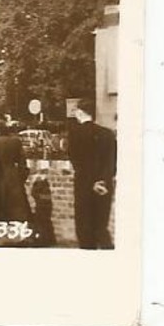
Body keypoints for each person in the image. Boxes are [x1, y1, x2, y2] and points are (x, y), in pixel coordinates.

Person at [68, 102, 117, 249]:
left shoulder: (75, 133)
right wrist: (102, 180)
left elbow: (76, 162)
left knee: (85, 228)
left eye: (76, 110)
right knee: (101, 227)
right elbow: (113, 162)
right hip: (105, 186)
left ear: (80, 112)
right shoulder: (108, 134)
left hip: (84, 187)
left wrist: (91, 182)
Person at [0, 119, 32, 246]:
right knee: (19, 208)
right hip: (13, 176)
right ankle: (24, 236)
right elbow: (22, 162)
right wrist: (21, 177)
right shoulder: (15, 141)